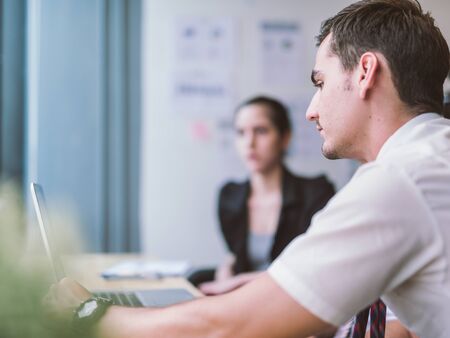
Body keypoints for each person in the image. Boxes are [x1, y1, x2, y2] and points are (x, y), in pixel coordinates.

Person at [49, 0, 450, 337]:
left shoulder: (400, 181)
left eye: (320, 82)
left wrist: (92, 313)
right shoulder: (431, 159)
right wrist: (274, 287)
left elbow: (230, 327)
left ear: (365, 72)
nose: (311, 110)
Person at [196, 96, 335, 296]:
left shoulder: (316, 194)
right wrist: (227, 269)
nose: (249, 143)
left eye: (261, 131)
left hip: (297, 302)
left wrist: (238, 281)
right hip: (245, 302)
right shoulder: (229, 197)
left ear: (285, 138)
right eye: (241, 133)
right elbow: (236, 257)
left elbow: (312, 270)